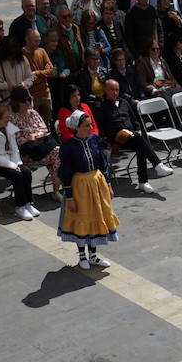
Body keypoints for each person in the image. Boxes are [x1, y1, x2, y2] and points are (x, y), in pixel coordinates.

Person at [56, 109, 118, 269]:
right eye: (86, 125)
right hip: (80, 187)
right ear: (77, 127)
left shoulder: (94, 140)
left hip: (97, 184)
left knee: (95, 218)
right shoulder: (68, 146)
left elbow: (103, 164)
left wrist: (109, 185)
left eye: (90, 125)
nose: (90, 128)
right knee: (82, 219)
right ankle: (82, 256)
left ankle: (93, 256)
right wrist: (70, 197)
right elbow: (65, 173)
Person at [0, 102, 39, 220]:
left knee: (26, 172)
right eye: (5, 117)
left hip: (9, 160)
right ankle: (20, 207)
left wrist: (17, 163)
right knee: (17, 175)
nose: (8, 119)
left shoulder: (8, 127)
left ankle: (28, 203)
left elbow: (14, 148)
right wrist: (12, 166)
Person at [0, 37, 35, 108]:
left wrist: (23, 85)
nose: (12, 56)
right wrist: (6, 86)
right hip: (3, 103)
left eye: (13, 53)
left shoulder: (23, 60)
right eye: (9, 54)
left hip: (21, 102)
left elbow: (30, 78)